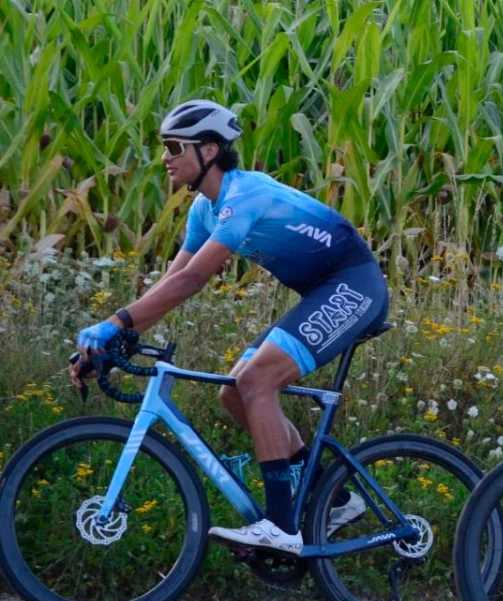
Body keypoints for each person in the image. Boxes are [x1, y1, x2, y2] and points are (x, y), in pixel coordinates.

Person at [72, 99, 388, 555]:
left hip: (354, 285)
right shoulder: (204, 210)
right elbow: (172, 285)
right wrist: (117, 339)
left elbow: (193, 279)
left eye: (174, 147)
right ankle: (335, 500)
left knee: (257, 381)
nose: (165, 158)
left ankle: (282, 526)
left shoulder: (245, 196)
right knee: (235, 391)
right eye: (164, 147)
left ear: (210, 150)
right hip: (324, 290)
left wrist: (112, 322)